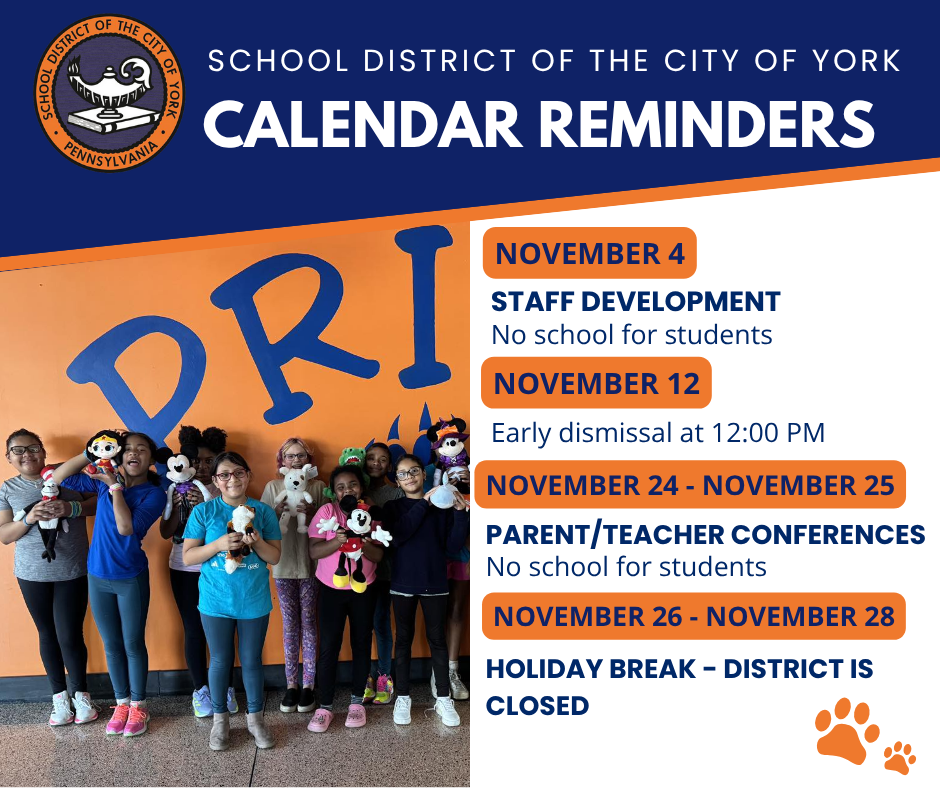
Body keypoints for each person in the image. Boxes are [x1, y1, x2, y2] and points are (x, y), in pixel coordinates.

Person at [53, 432, 167, 737]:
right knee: (111, 644)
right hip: (97, 576)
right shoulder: (101, 480)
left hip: (130, 578)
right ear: (118, 453)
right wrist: (92, 454)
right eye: (128, 449)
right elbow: (57, 476)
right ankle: (121, 703)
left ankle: (139, 705)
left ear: (150, 459)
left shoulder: (153, 494)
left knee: (132, 643)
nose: (134, 454)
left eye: (141, 449)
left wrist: (114, 486)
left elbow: (126, 526)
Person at [182, 452, 281, 751]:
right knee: (221, 661)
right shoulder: (205, 512)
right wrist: (218, 545)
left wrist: (257, 541)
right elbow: (188, 557)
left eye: (238, 473)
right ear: (215, 481)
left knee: (251, 661)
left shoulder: (263, 512)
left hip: (253, 600)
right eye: (224, 475)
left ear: (248, 475)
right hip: (215, 601)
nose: (232, 479)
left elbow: (274, 556)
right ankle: (220, 721)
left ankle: (255, 721)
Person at [0, 429, 97, 726]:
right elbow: (4, 535)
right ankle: (59, 698)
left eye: (32, 448)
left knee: (70, 633)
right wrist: (29, 518)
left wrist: (71, 507)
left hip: (74, 570)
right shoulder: (8, 489)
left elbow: (100, 501)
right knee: (47, 633)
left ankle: (81, 695)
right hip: (32, 573)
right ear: (9, 458)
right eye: (18, 451)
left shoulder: (66, 477)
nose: (26, 454)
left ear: (43, 452)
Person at [384, 454, 469, 727]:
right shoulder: (392, 507)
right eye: (402, 473)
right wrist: (424, 503)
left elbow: (453, 545)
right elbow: (398, 536)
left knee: (438, 641)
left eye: (414, 471)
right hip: (402, 584)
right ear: (396, 480)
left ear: (424, 474)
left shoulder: (442, 508)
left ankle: (443, 698)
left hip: (435, 583)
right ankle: (403, 696)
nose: (409, 477)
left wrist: (459, 513)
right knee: (404, 641)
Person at [159, 425, 238, 717]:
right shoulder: (176, 487)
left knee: (223, 633)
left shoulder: (226, 490)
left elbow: (233, 530)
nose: (203, 467)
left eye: (209, 461)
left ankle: (226, 687)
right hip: (183, 567)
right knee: (193, 630)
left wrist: (203, 505)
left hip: (219, 570)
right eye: (199, 461)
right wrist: (180, 506)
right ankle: (201, 690)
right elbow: (165, 531)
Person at [306, 465, 385, 732]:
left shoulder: (370, 514)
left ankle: (356, 702)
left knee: (362, 642)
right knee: (329, 644)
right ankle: (325, 706)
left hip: (364, 588)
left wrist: (363, 541)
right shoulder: (327, 512)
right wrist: (338, 541)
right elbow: (315, 551)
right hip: (331, 588)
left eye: (351, 485)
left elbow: (379, 556)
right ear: (333, 491)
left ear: (361, 487)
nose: (346, 490)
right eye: (340, 487)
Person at [260, 437, 326, 714]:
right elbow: (262, 525)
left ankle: (309, 685)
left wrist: (313, 514)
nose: (296, 460)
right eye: (290, 456)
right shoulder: (273, 487)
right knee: (290, 625)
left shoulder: (319, 487)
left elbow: (329, 524)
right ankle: (291, 685)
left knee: (309, 622)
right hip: (283, 566)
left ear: (308, 459)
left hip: (312, 566)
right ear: (282, 461)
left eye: (300, 455)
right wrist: (274, 512)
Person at [362, 442, 400, 705]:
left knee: (381, 623)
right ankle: (364, 677)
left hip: (385, 571)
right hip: (358, 572)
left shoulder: (396, 494)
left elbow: (397, 533)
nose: (376, 463)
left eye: (383, 459)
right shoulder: (354, 490)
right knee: (361, 627)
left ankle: (385, 675)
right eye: (372, 458)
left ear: (390, 465)